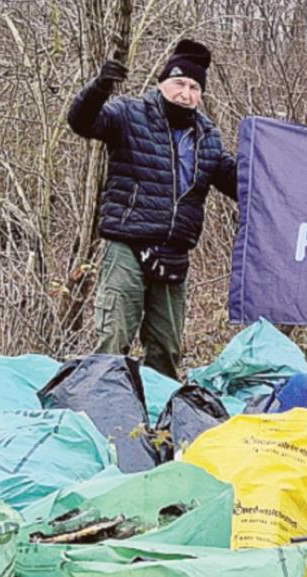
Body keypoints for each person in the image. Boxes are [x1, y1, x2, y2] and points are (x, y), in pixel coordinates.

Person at [68, 39, 239, 379]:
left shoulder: (208, 137)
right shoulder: (129, 114)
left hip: (174, 255)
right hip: (127, 247)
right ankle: (107, 422)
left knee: (166, 351)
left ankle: (157, 428)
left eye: (193, 87)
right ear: (162, 83)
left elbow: (238, 185)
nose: (185, 93)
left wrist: (271, 164)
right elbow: (82, 122)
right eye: (178, 83)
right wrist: (100, 86)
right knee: (113, 341)